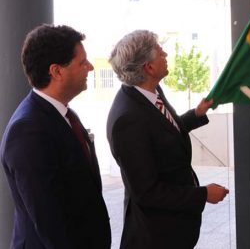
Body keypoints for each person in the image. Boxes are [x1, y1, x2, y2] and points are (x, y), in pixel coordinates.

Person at [106, 30, 229, 249]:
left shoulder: (150, 92)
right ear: (149, 67)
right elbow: (147, 192)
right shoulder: (127, 120)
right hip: (156, 236)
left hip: (174, 229)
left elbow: (162, 132)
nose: (165, 54)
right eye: (160, 51)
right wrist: (203, 194)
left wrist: (196, 114)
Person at [0, 24, 111, 249]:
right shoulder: (28, 130)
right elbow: (51, 223)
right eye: (82, 62)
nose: (90, 67)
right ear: (57, 71)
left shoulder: (63, 114)